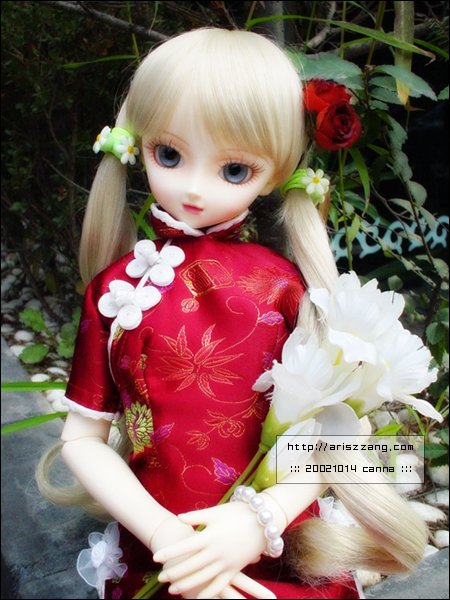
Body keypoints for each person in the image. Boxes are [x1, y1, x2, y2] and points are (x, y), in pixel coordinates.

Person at [37, 28, 428, 600]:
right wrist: (163, 534)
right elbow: (83, 439)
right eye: (170, 154)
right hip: (164, 549)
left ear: (276, 173)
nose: (195, 188)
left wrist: (262, 518)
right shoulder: (118, 290)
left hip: (277, 547)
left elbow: (348, 432)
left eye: (235, 169)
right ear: (138, 145)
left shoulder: (281, 285)